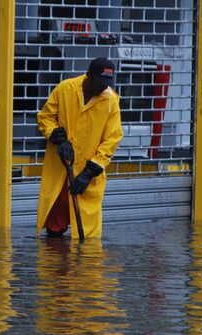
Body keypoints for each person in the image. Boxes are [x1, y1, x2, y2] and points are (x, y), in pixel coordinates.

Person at [36, 57, 123, 239]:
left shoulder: (110, 101)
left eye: (106, 85)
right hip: (61, 168)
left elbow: (112, 139)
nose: (102, 89)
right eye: (99, 84)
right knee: (54, 225)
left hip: (87, 173)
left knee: (87, 236)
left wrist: (91, 171)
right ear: (88, 76)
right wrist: (59, 138)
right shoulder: (65, 89)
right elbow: (45, 117)